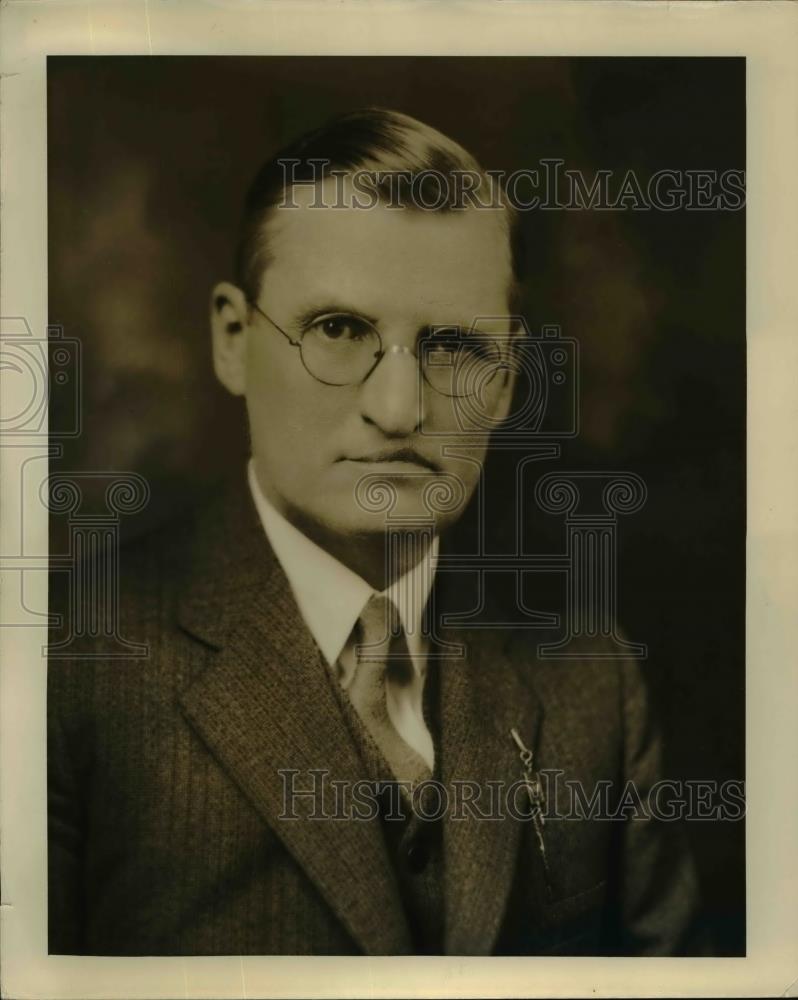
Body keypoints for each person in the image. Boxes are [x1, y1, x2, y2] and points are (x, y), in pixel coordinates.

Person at [48, 108, 700, 956]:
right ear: (234, 340)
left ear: (508, 382)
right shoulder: (62, 667)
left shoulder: (590, 676)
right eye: (340, 330)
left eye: (455, 347)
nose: (399, 410)